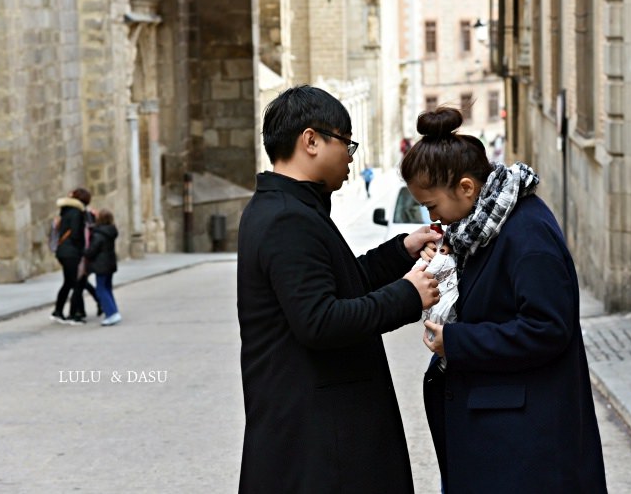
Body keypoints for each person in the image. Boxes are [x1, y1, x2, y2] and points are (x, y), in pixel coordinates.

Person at [237, 85, 441, 493]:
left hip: (319, 433)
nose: (351, 157)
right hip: (319, 442)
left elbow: (338, 284)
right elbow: (320, 320)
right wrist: (408, 294)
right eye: (346, 143)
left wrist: (402, 251)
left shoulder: (291, 208)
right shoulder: (286, 219)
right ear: (310, 141)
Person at [400, 107, 607, 493]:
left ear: (466, 187)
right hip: (502, 439)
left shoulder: (528, 237)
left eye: (432, 205)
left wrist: (456, 342)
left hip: (525, 449)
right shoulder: (482, 229)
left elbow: (547, 329)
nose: (434, 218)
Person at [51, 187, 92, 325]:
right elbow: (76, 234)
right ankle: (74, 314)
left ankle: (58, 311)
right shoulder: (77, 213)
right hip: (71, 252)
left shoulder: (66, 211)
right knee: (76, 283)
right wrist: (82, 251)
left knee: (69, 282)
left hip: (63, 251)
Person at [85, 209, 121, 326]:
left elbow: (92, 251)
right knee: (107, 288)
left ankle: (111, 313)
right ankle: (113, 311)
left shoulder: (99, 234)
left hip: (101, 265)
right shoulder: (111, 232)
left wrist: (84, 252)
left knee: (101, 289)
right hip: (110, 263)